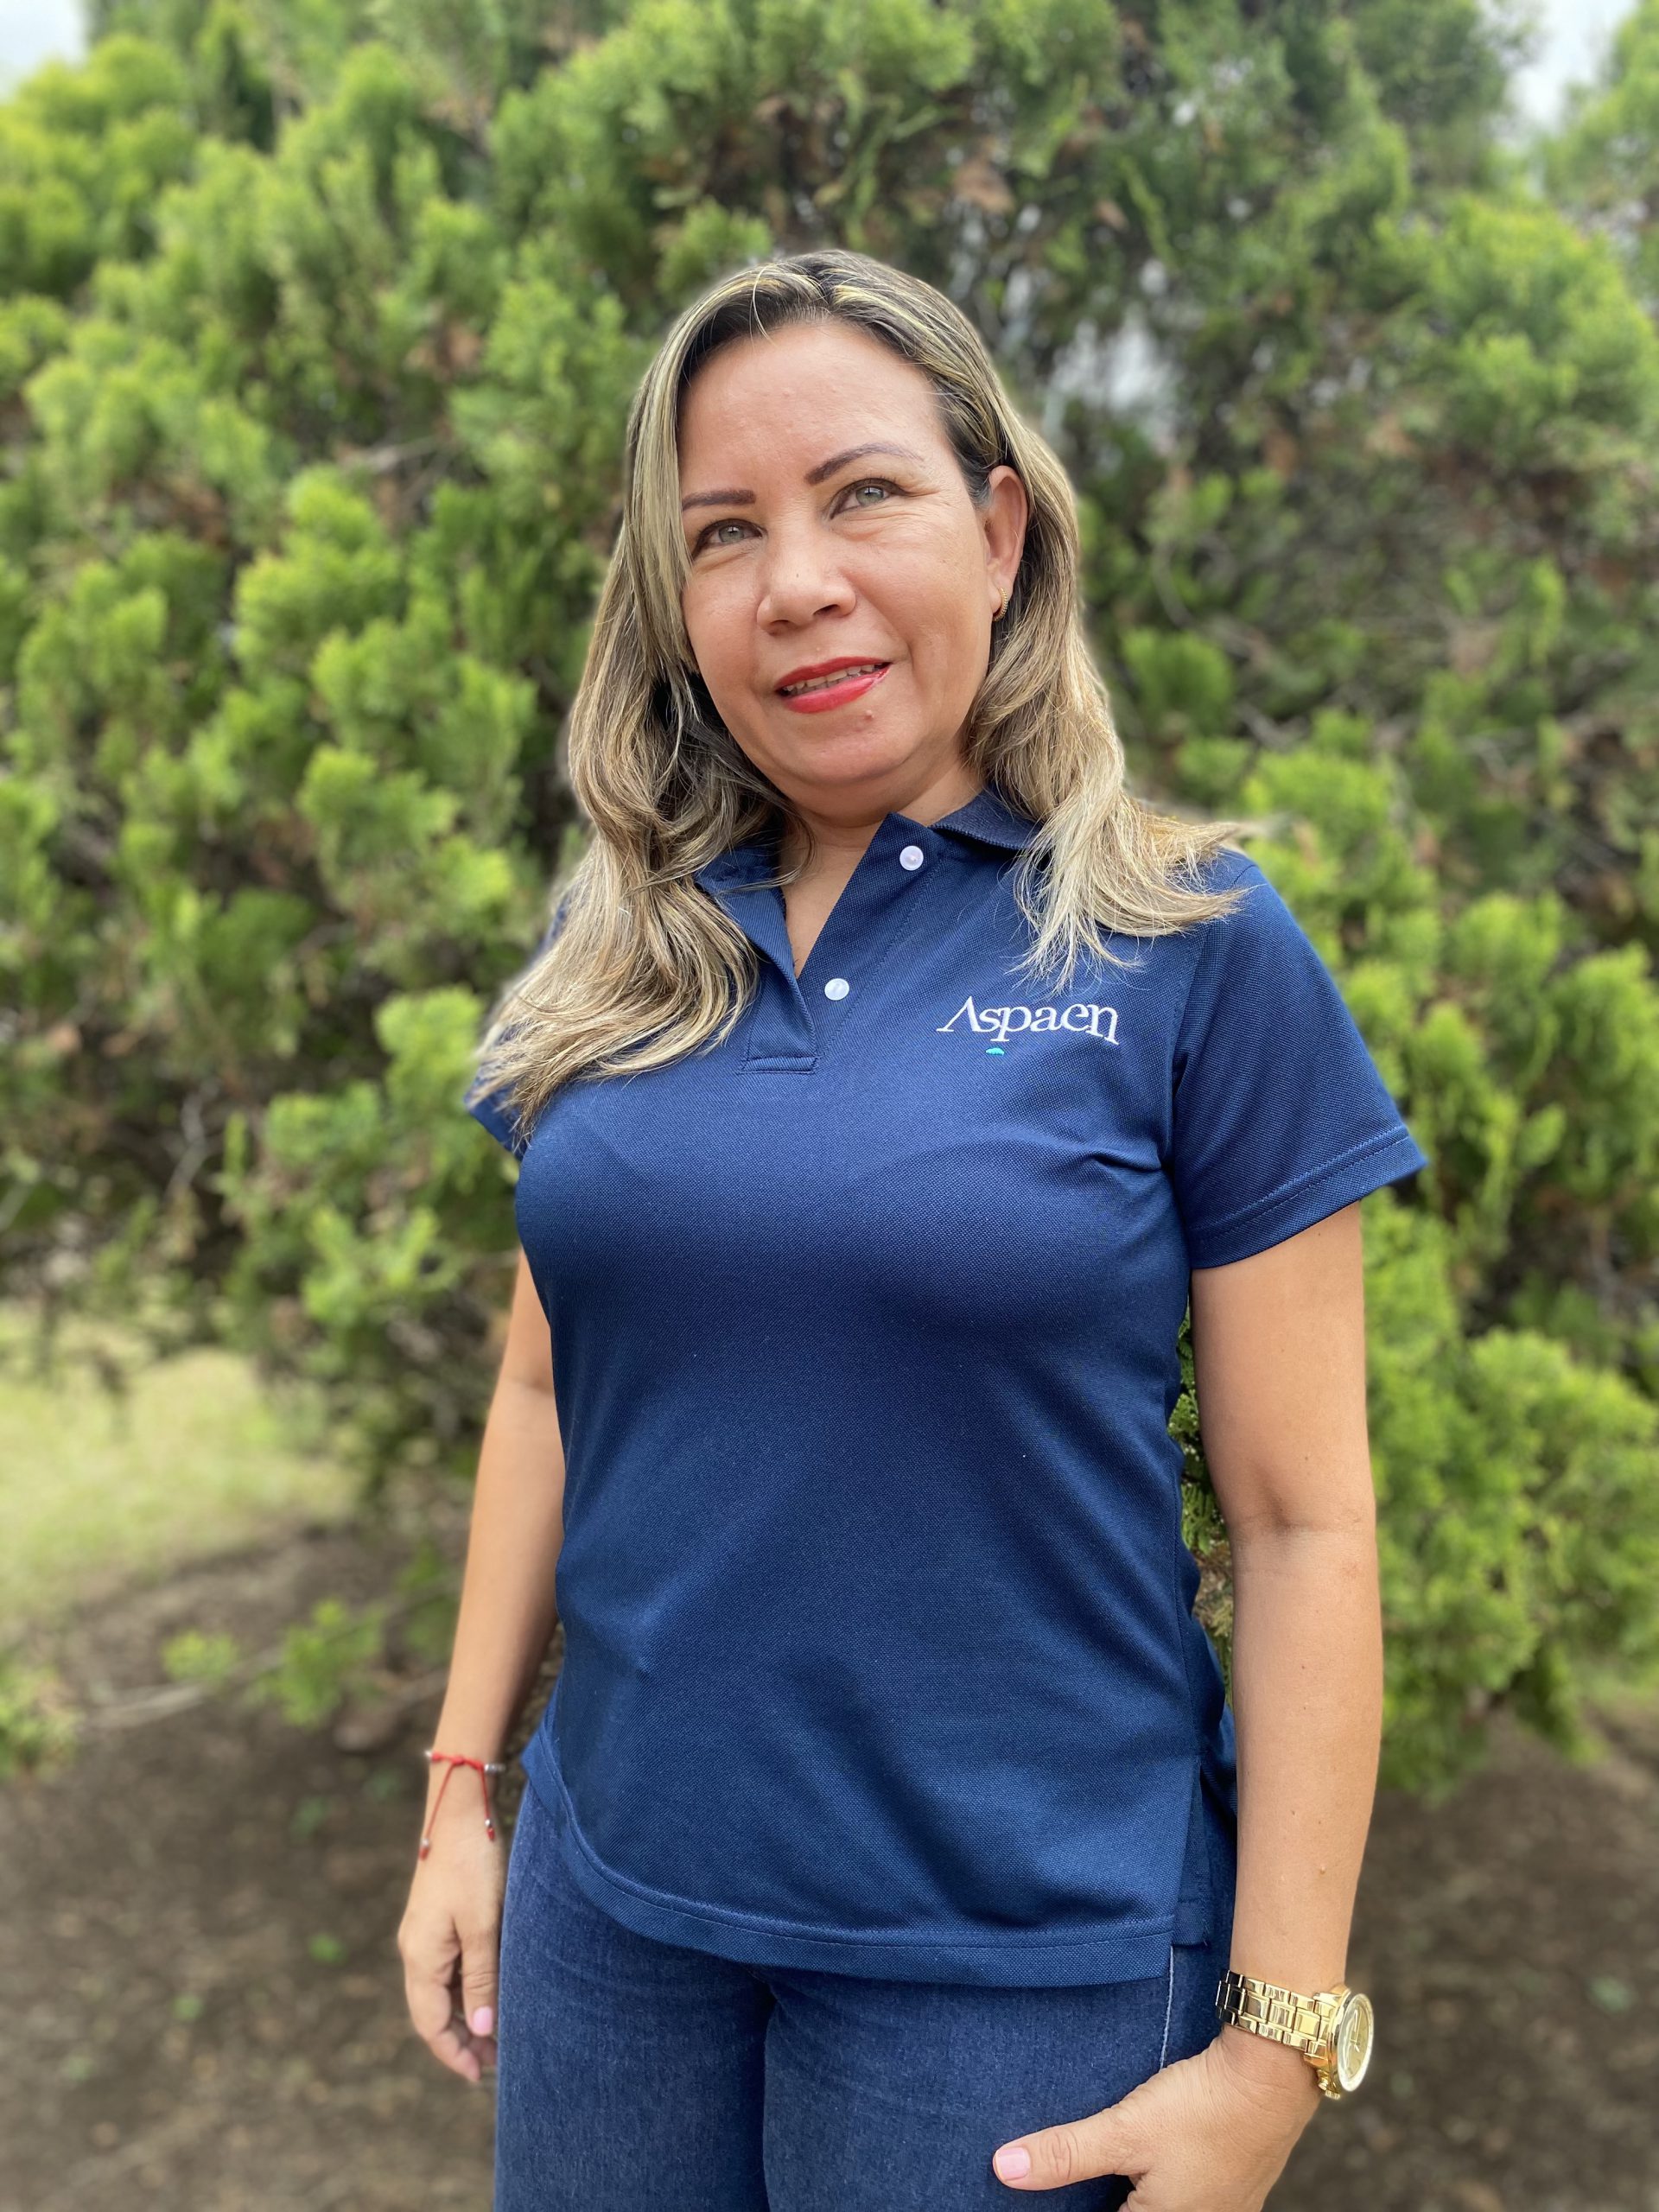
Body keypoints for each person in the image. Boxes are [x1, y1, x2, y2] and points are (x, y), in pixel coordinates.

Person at [397, 247, 1429, 2211]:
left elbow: (1306, 1527)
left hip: (1015, 1965)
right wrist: (464, 1794)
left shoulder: (1186, 945)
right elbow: (545, 1389)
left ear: (1002, 530)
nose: (794, 581)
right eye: (723, 531)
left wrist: (1277, 2049)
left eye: (862, 492)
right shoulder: (624, 949)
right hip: (614, 1925)